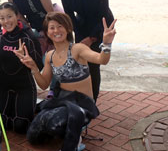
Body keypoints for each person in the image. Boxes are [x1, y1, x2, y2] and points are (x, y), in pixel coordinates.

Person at [20, 12, 116, 150]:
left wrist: (106, 43)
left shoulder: (77, 49)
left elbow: (102, 60)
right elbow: (44, 84)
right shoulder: (49, 56)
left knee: (55, 123)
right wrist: (33, 67)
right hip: (63, 101)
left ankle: (74, 141)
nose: (56, 31)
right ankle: (63, 136)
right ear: (47, 32)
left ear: (68, 29)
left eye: (60, 26)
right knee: (34, 132)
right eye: (52, 28)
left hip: (83, 104)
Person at [0, 2, 42, 134]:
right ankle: (13, 108)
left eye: (9, 16)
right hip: (3, 85)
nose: (6, 21)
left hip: (24, 86)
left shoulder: (28, 36)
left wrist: (28, 60)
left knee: (20, 126)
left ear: (17, 16)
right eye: (2, 18)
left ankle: (26, 107)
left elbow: (40, 65)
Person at [60, 0, 114, 101]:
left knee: (93, 64)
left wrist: (91, 39)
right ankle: (82, 95)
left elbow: (103, 14)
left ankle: (92, 101)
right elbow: (69, 15)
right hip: (81, 24)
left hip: (102, 25)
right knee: (80, 62)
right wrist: (79, 38)